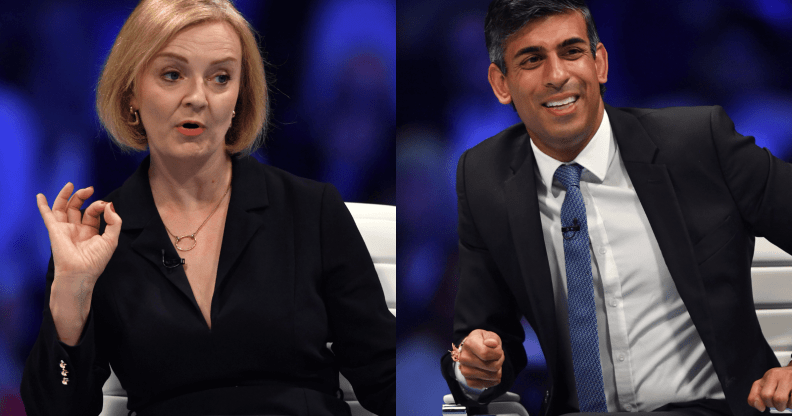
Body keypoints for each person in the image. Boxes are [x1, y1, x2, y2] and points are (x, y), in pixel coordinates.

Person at [20, 0, 395, 415]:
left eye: (220, 77)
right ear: (131, 95)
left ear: (239, 98)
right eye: (172, 74)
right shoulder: (96, 236)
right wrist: (72, 293)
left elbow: (385, 379)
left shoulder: (311, 210)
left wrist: (467, 373)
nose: (197, 97)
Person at [440, 1, 792, 416]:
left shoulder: (698, 142)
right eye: (532, 60)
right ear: (501, 84)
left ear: (600, 63)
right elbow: (482, 337)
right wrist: (476, 369)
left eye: (572, 52)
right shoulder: (483, 176)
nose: (557, 76)